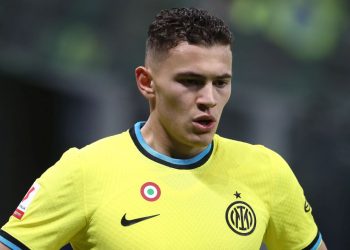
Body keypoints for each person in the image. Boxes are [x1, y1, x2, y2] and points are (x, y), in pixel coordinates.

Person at [0, 7, 327, 250]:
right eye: (190, 82)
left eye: (221, 83)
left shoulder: (267, 171)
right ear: (146, 83)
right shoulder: (85, 171)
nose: (209, 99)